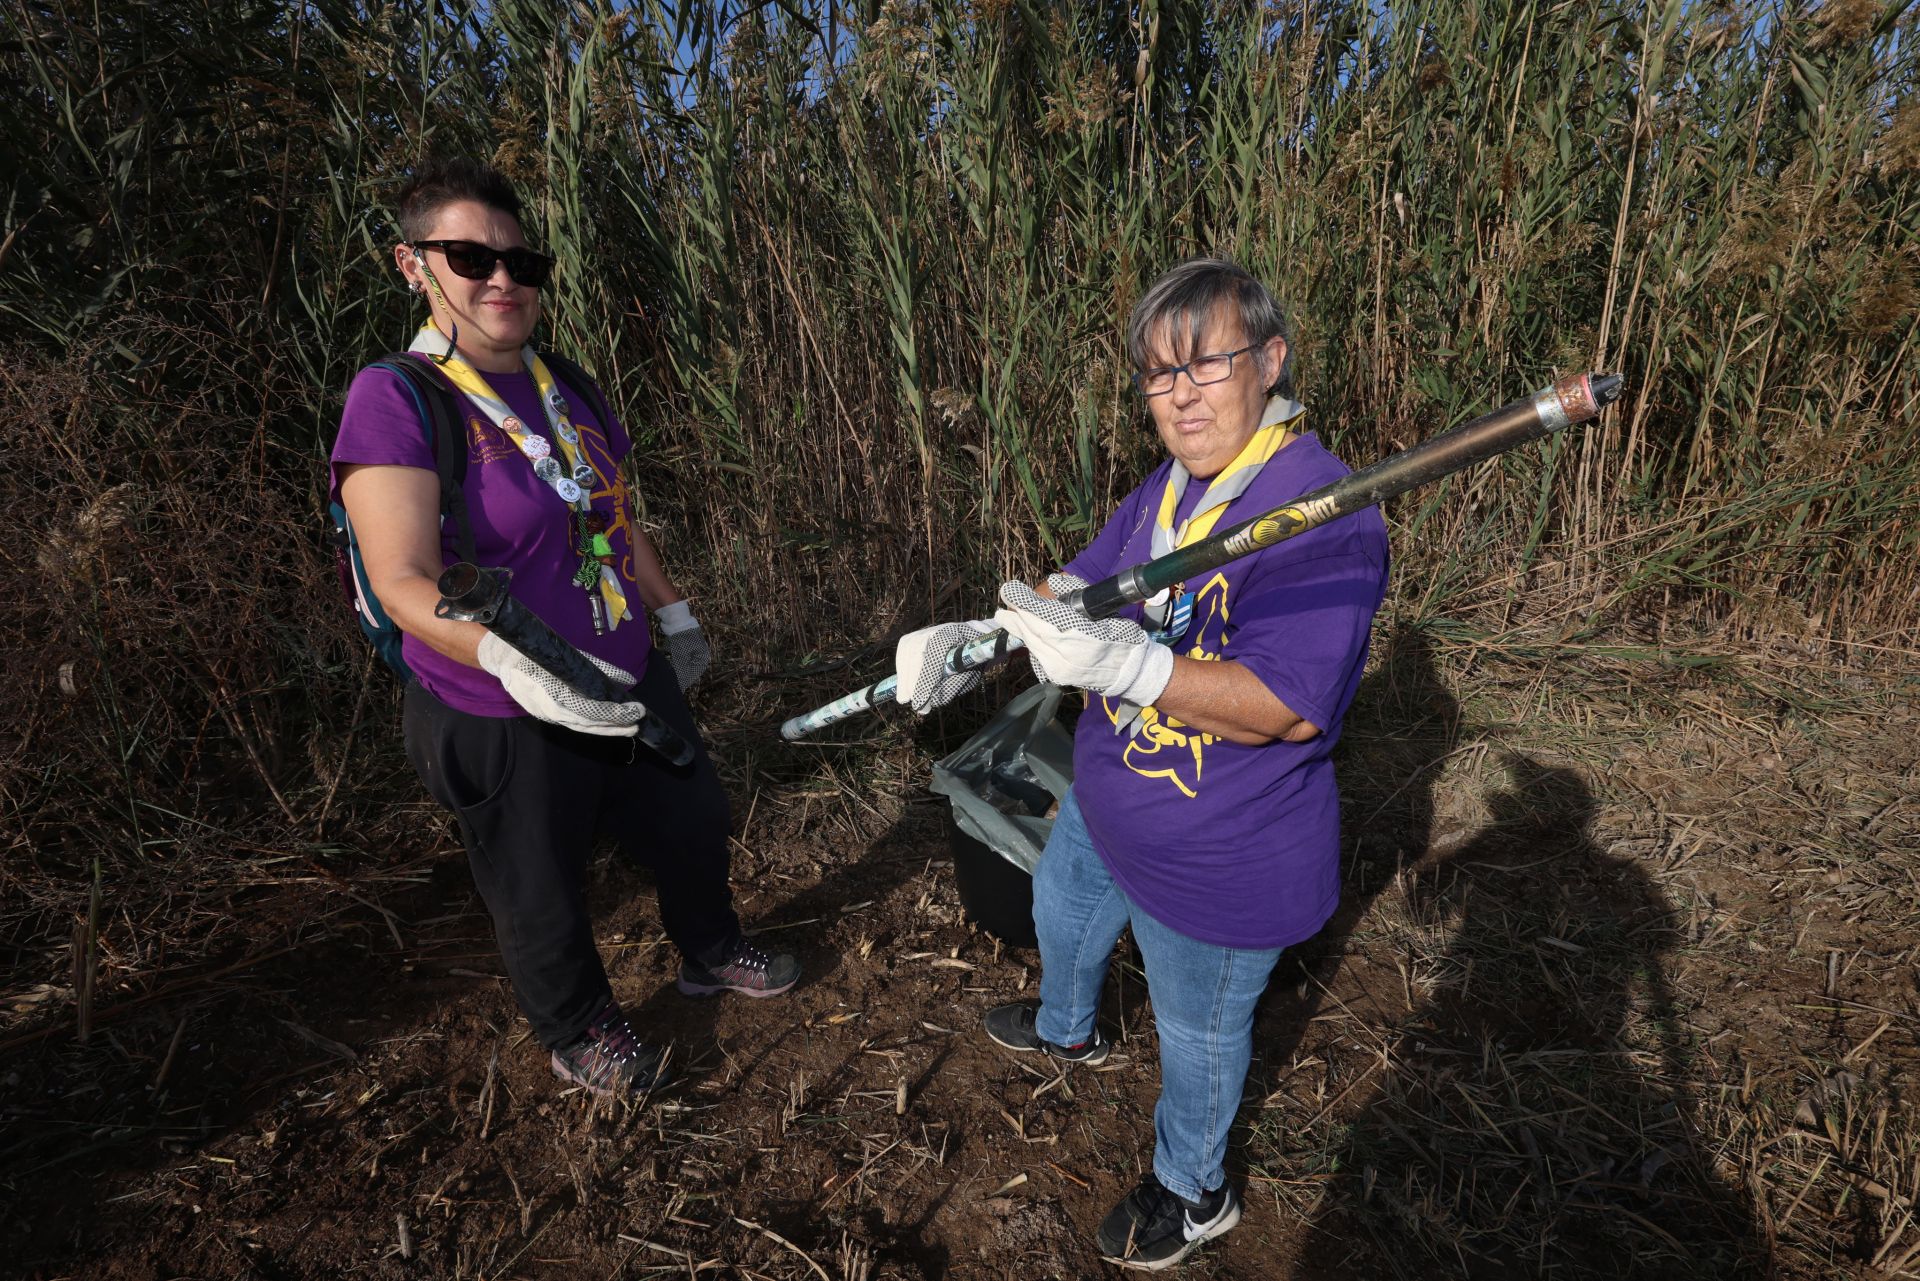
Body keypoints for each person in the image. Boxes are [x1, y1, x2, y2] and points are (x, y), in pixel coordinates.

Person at [896, 258, 1389, 1269]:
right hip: (1108, 801)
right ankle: (1071, 1028)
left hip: (1223, 858)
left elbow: (1290, 709)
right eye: (1159, 375)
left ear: (1271, 360)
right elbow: (1086, 579)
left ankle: (1193, 1190)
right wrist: (995, 631)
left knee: (1197, 1041)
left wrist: (1134, 663)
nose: (1180, 394)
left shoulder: (1321, 509)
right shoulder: (1170, 487)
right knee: (1061, 917)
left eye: (1206, 364)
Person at [331, 157, 798, 1098]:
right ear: (413, 265)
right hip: (499, 700)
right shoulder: (398, 399)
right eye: (470, 257)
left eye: (522, 261)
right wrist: (512, 658)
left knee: (693, 818)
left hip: (621, 668)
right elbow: (398, 580)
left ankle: (708, 948)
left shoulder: (566, 383)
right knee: (538, 878)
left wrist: (670, 608)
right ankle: (579, 1023)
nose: (502, 279)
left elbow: (612, 510)